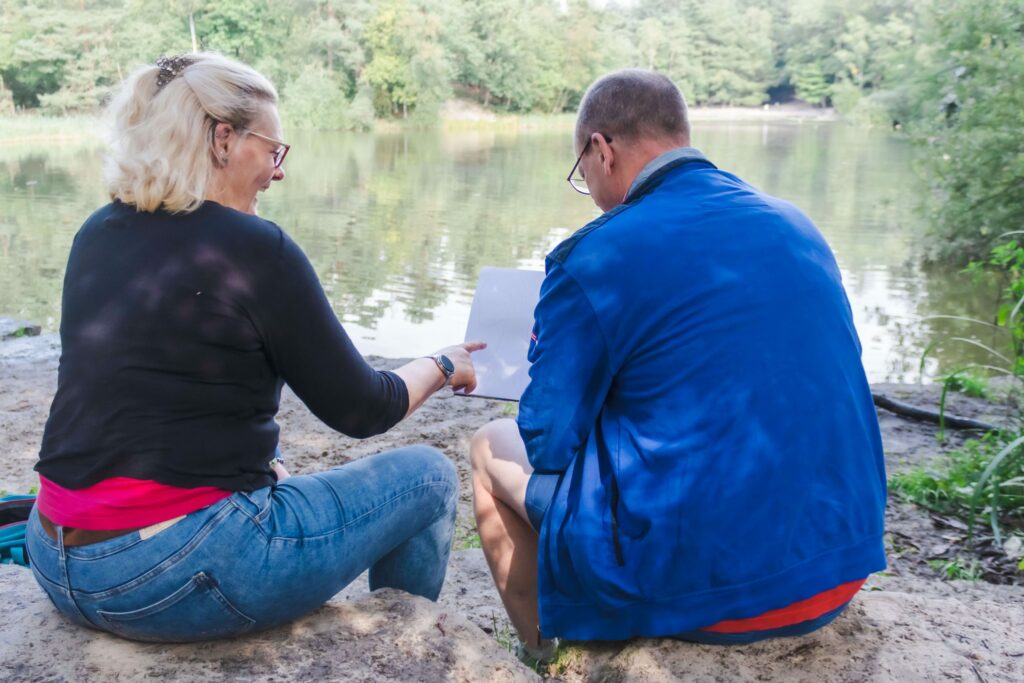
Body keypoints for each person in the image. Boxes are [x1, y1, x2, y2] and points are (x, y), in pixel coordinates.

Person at [26, 52, 484, 643]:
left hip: (56, 557)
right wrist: (442, 364)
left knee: (276, 471)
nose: (279, 171)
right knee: (428, 476)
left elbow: (139, 393)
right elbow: (363, 408)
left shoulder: (97, 231)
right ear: (223, 139)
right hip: (164, 572)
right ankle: (401, 650)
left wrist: (254, 466)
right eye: (273, 151)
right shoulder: (256, 248)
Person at [470, 69, 886, 659]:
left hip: (710, 592)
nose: (586, 185)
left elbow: (547, 441)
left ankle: (544, 655)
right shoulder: (797, 223)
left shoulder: (596, 254)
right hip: (836, 567)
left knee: (489, 446)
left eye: (579, 172)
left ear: (601, 149)